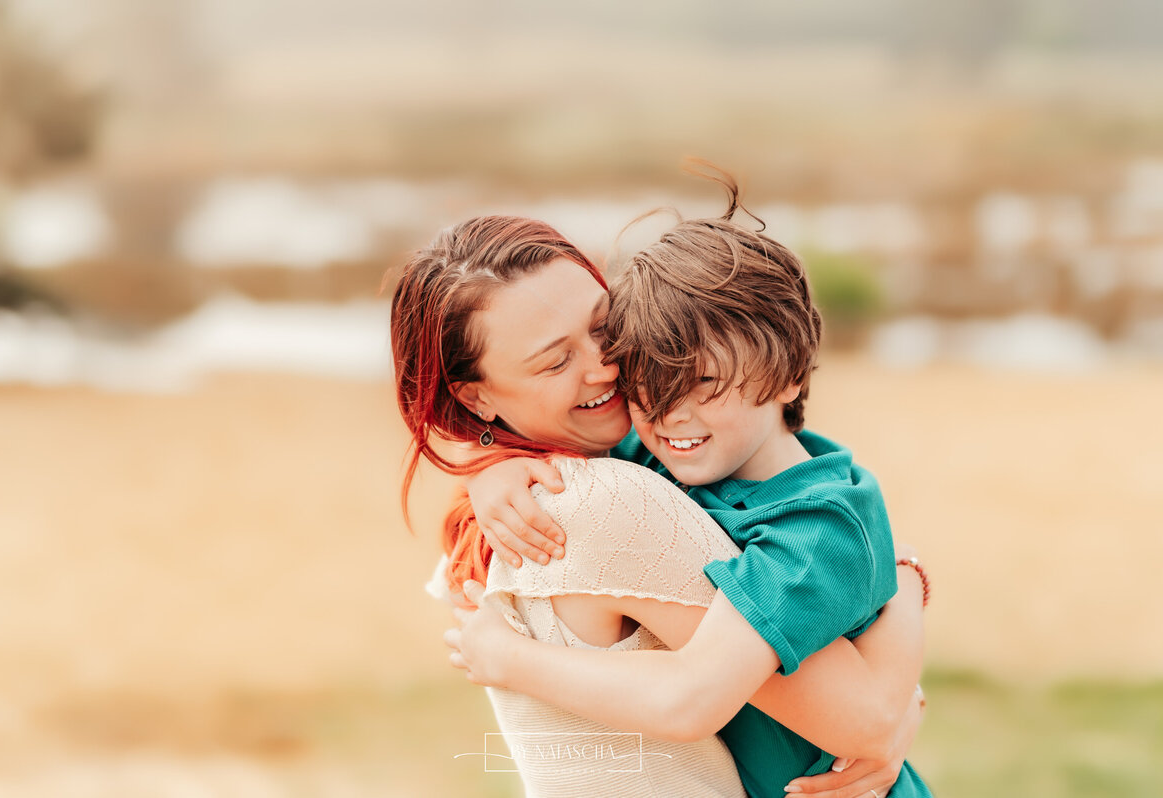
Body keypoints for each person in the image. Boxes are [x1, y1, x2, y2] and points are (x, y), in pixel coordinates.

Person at [391, 211, 926, 798]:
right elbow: (869, 714)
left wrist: (505, 656)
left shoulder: (658, 470)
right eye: (555, 360)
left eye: (604, 328)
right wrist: (485, 466)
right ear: (477, 397)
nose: (608, 368)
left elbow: (845, 711)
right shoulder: (636, 471)